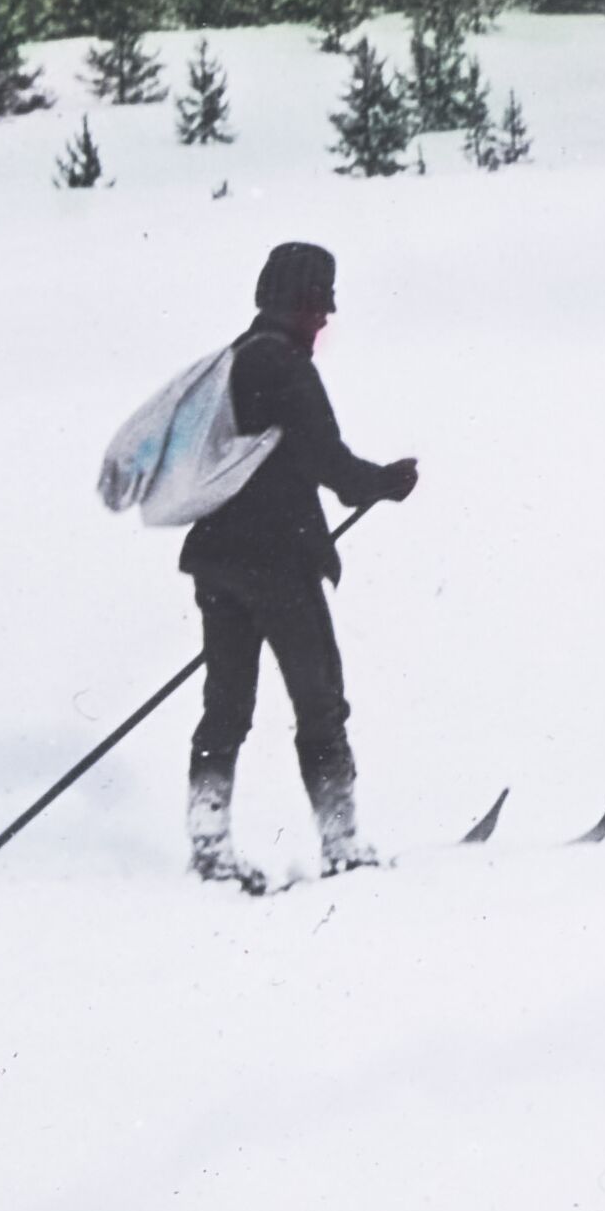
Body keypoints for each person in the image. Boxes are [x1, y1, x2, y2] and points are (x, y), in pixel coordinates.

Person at [178, 236, 421, 882]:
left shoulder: (230, 361)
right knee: (319, 704)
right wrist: (384, 482)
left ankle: (208, 845)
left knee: (225, 706)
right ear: (300, 301)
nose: (326, 319)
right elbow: (327, 462)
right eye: (321, 304)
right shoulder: (286, 366)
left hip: (217, 560)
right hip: (278, 562)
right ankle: (342, 843)